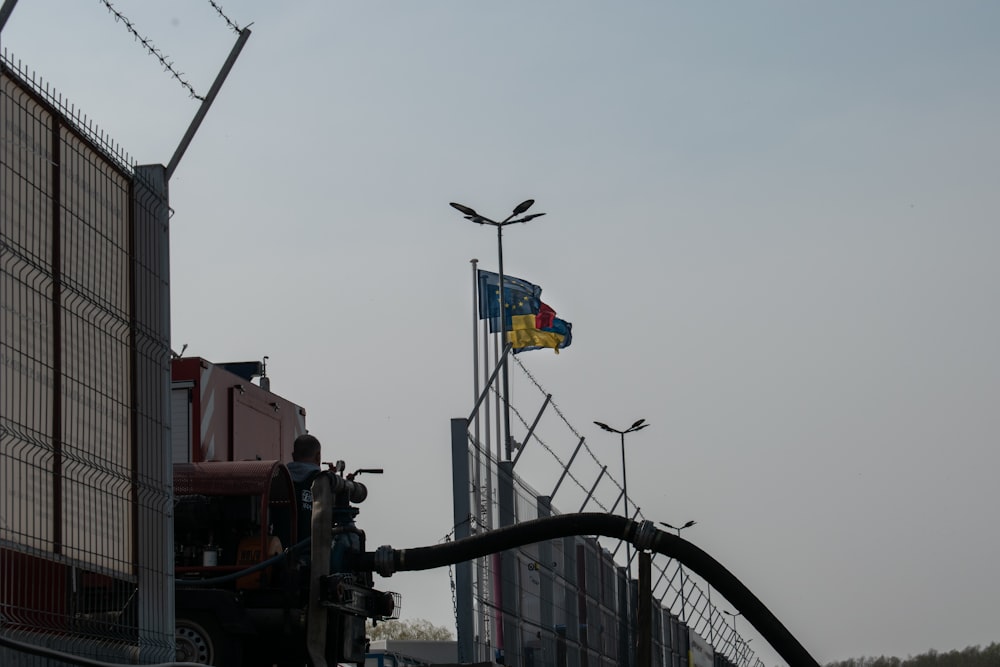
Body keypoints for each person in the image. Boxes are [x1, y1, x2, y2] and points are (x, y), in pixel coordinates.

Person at [287, 433, 323, 549]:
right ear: (318, 457)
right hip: (312, 556)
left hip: (278, 553)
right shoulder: (322, 480)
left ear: (293, 456)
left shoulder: (280, 477)